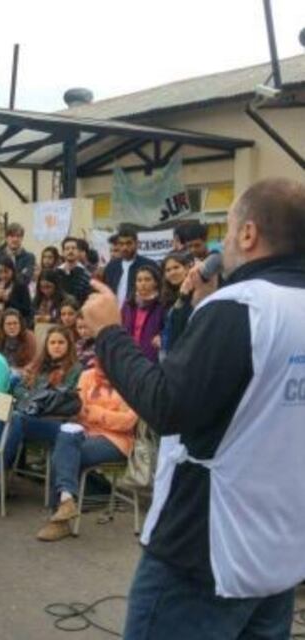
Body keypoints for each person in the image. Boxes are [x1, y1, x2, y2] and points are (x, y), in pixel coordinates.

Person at [81, 178, 305, 638]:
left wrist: (109, 332)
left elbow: (166, 403)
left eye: (228, 230)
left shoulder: (244, 306)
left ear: (248, 235)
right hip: (280, 553)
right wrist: (194, 309)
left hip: (204, 552)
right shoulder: (247, 308)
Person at [32, 361, 138, 542]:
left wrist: (95, 413)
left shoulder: (131, 380)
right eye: (98, 361)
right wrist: (107, 414)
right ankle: (66, 503)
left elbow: (128, 422)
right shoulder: (87, 376)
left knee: (64, 453)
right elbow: (78, 409)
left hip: (116, 440)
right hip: (83, 433)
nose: (99, 366)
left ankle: (60, 518)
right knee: (65, 437)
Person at [0, 327, 83, 495]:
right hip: (33, 416)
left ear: (69, 345)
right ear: (46, 346)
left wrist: (35, 397)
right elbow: (18, 390)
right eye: (52, 342)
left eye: (61, 342)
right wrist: (35, 396)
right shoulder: (40, 365)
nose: (56, 346)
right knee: (2, 414)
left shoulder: (75, 369)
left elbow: (66, 398)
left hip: (59, 423)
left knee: (17, 419)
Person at [102, 225, 159, 308]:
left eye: (128, 243)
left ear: (137, 244)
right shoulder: (111, 266)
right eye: (121, 244)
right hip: (114, 315)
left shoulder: (149, 265)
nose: (125, 247)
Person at [121, 264, 165, 363]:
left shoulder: (162, 305)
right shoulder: (128, 304)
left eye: (147, 279)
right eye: (139, 280)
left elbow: (167, 330)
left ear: (156, 282)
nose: (143, 283)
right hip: (129, 357)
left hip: (152, 359)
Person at [159, 251, 195, 357]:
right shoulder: (167, 298)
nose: (172, 272)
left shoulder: (197, 294)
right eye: (168, 270)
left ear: (187, 268)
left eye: (176, 267)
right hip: (170, 353)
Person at [0, 256, 33, 327]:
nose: (3, 275)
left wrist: (7, 300)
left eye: (6, 271)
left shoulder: (20, 286)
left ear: (12, 271)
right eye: (0, 272)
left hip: (15, 323)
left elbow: (26, 309)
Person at [56, 236, 93, 304]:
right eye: (67, 249)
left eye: (73, 248)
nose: (70, 251)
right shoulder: (56, 273)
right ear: (63, 252)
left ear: (78, 251)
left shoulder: (86, 275)